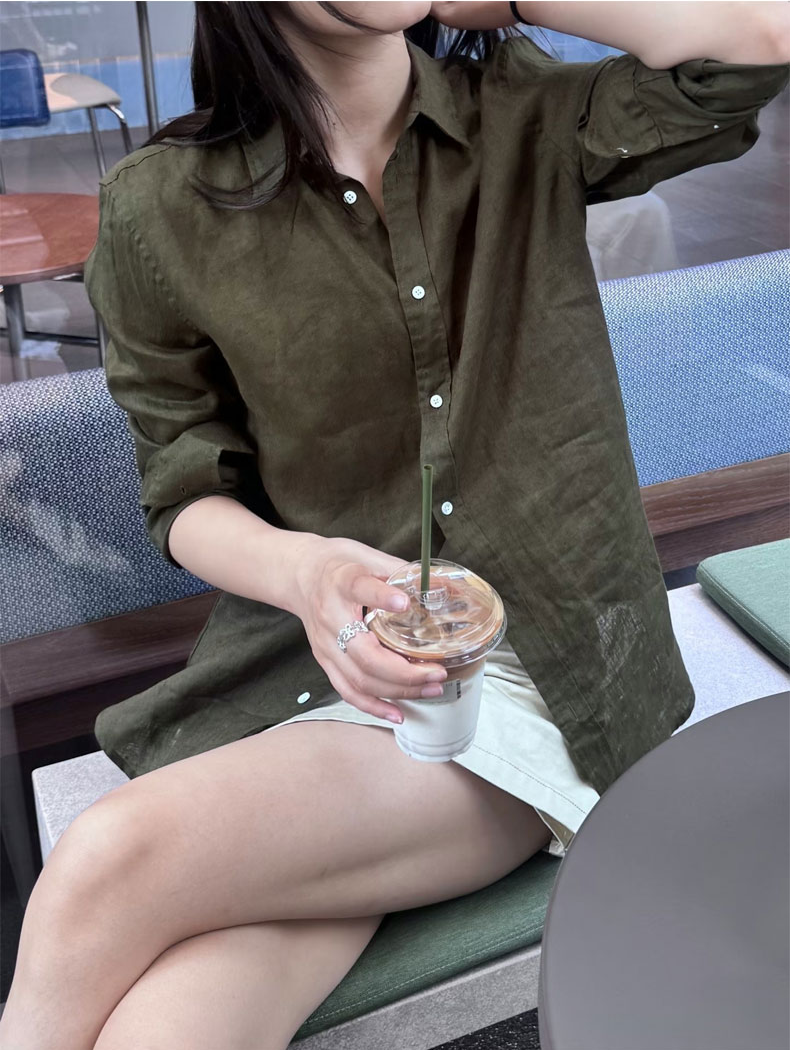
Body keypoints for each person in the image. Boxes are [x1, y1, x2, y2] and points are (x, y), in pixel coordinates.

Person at [2, 3, 787, 1047]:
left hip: (532, 673)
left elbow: (755, 39)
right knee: (174, 1026)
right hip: (306, 660)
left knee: (109, 858)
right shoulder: (163, 207)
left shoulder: (526, 111)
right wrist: (304, 574)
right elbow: (182, 491)